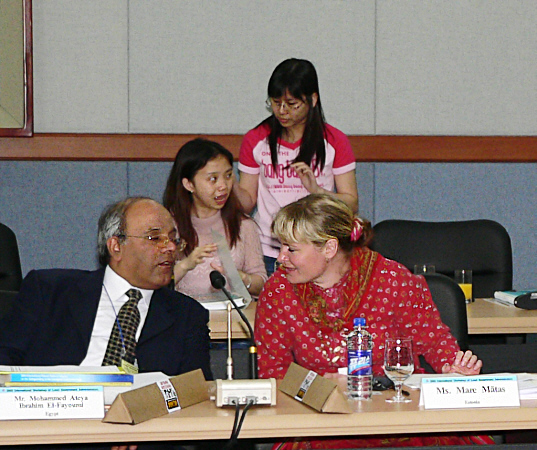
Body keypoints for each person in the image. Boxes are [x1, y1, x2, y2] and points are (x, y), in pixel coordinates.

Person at [254, 194, 492, 449]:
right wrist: (321, 387)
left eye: (291, 249)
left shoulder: (391, 279)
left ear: (330, 248)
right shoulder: (278, 291)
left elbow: (434, 341)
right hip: (322, 421)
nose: (280, 258)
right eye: (281, 247)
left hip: (399, 416)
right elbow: (273, 373)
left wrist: (452, 367)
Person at [0, 197, 212, 450]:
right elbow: (5, 359)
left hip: (137, 438)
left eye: (173, 239)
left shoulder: (187, 315)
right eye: (155, 238)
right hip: (49, 432)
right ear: (116, 246)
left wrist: (141, 417)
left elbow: (194, 391)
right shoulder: (48, 290)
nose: (169, 248)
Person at [235, 58, 359, 275]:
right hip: (267, 250)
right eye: (275, 102)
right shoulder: (255, 139)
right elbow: (247, 203)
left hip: (315, 251)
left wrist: (318, 191)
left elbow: (351, 203)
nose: (282, 111)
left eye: (292, 104)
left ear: (313, 99)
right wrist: (229, 183)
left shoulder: (334, 141)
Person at [163, 138, 267, 299]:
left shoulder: (244, 225)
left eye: (228, 176)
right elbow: (152, 287)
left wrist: (243, 278)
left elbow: (261, 285)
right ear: (189, 184)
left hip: (233, 313)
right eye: (213, 179)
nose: (223, 186)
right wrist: (185, 265)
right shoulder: (167, 227)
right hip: (184, 314)